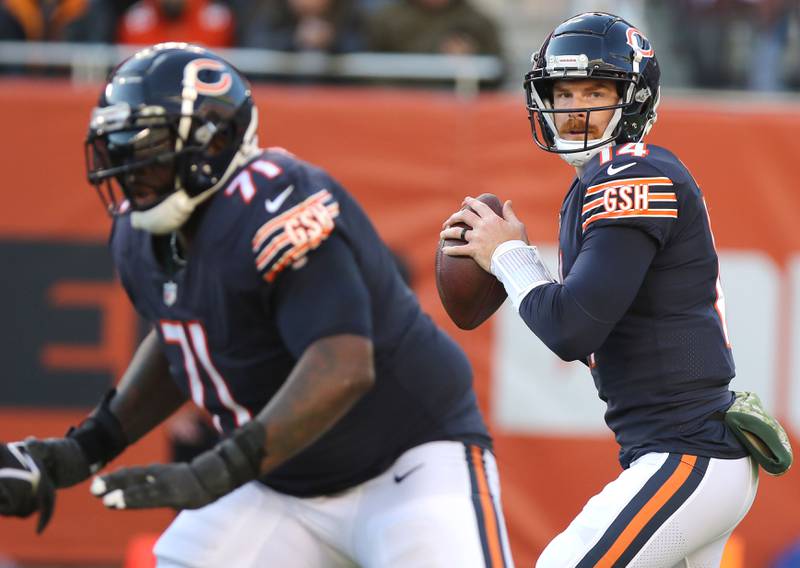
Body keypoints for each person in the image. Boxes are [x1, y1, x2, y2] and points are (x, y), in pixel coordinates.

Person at [0, 43, 514, 567]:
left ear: (212, 141)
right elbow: (183, 337)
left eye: (146, 143)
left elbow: (342, 364)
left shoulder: (274, 202)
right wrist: (81, 451)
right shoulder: (138, 235)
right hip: (283, 476)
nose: (130, 168)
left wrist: (213, 471)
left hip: (409, 458)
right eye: (120, 146)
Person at [441, 12, 777, 567]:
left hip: (687, 452)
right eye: (563, 92)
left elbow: (572, 327)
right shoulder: (595, 183)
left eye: (595, 90)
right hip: (683, 452)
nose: (575, 109)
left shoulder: (631, 173)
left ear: (635, 97)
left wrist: (508, 256)